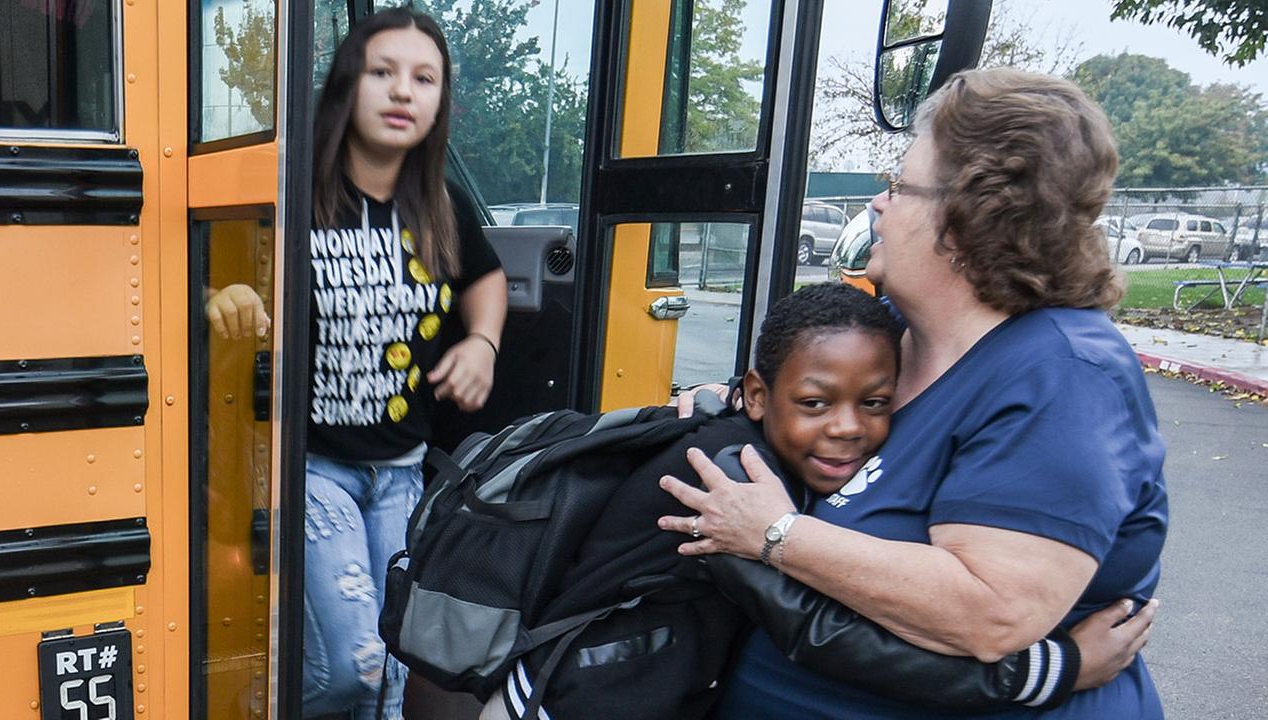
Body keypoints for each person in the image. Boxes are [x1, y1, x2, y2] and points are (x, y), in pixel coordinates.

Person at [661, 67, 1168, 719]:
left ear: (966, 221)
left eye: (899, 186)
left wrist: (776, 534)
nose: (878, 203)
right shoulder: (895, 334)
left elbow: (991, 614)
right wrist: (738, 399)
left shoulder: (1065, 374)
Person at [477, 283, 1151, 720]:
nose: (848, 427)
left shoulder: (770, 452)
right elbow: (821, 633)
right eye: (814, 402)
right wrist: (1051, 670)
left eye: (878, 403)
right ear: (761, 394)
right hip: (571, 701)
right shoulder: (725, 481)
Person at [206, 10, 506, 719]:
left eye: (424, 78)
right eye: (383, 73)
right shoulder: (292, 195)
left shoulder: (438, 205)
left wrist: (482, 342)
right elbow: (215, 281)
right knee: (351, 668)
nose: (403, 91)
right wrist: (229, 295)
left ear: (439, 102)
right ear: (347, 86)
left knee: (393, 676)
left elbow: (484, 280)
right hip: (311, 467)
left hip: (400, 471)